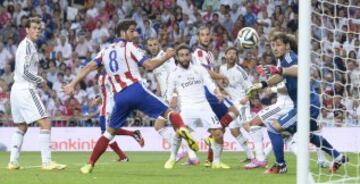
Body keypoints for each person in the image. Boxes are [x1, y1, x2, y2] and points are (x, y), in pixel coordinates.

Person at [63, 19, 199, 174]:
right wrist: (166, 56)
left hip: (120, 98)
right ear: (122, 32)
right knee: (169, 113)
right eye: (132, 30)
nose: (135, 34)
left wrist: (72, 84)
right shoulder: (130, 47)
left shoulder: (105, 50)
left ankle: (89, 164)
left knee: (108, 133)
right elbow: (149, 66)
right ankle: (181, 129)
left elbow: (88, 67)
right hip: (136, 90)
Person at [247, 32, 348, 174]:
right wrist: (262, 84)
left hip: (305, 103)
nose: (275, 48)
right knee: (309, 135)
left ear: (287, 46)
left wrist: (279, 69)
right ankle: (339, 157)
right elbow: (279, 77)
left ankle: (280, 165)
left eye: (278, 45)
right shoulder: (282, 61)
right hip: (308, 102)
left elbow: (299, 70)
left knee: (273, 127)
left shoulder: (291, 57)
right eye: (273, 45)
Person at [8, 16, 66, 170]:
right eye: (33, 28)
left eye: (38, 28)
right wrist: (40, 79)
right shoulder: (27, 46)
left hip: (16, 90)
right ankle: (47, 162)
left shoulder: (27, 46)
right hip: (26, 88)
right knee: (46, 122)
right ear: (26, 30)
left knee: (22, 126)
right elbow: (25, 72)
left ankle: (13, 162)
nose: (37, 31)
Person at [192, 25, 252, 166]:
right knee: (232, 114)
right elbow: (206, 73)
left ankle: (211, 160)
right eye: (203, 35)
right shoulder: (199, 53)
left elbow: (211, 77)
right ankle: (258, 155)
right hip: (205, 91)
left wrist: (219, 88)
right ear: (198, 37)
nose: (206, 37)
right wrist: (221, 78)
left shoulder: (210, 54)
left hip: (214, 92)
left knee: (219, 128)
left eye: (208, 34)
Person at [164, 44, 229, 169]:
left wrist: (218, 93)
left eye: (187, 55)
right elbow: (169, 92)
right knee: (179, 133)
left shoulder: (199, 69)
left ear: (190, 56)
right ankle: (172, 157)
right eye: (181, 55)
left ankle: (216, 162)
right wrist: (171, 99)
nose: (184, 58)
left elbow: (210, 84)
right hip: (187, 108)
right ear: (177, 58)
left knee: (218, 133)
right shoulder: (173, 74)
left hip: (204, 107)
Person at [219, 47, 265, 167]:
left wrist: (247, 98)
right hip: (231, 104)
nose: (232, 56)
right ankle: (250, 156)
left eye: (234, 54)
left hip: (241, 103)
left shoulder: (240, 71)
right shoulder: (221, 68)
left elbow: (251, 87)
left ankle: (261, 155)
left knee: (247, 126)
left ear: (237, 57)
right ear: (225, 55)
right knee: (234, 131)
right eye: (229, 53)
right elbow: (222, 84)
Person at [92, 67, 145, 162]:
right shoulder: (103, 76)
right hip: (106, 106)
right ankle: (124, 153)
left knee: (106, 132)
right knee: (108, 131)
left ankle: (124, 152)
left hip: (108, 107)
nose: (95, 68)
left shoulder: (107, 76)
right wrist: (99, 99)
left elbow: (114, 91)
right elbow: (107, 93)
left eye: (97, 66)